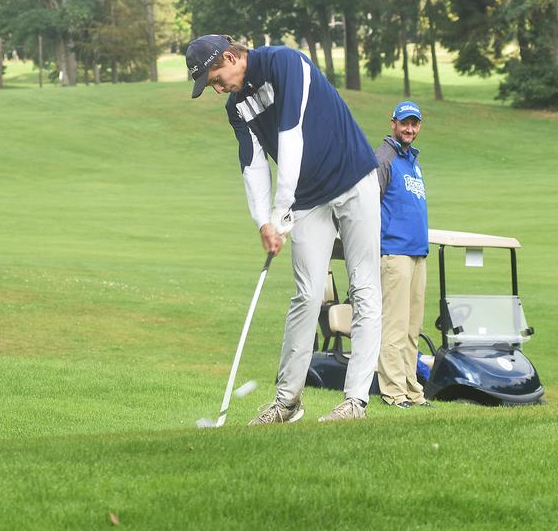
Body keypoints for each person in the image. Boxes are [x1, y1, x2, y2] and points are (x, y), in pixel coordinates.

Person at [185, 34, 382, 424]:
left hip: (354, 177)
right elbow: (253, 164)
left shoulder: (287, 63)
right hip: (308, 197)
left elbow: (291, 134)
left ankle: (355, 401)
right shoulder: (236, 107)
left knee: (363, 286)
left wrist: (280, 210)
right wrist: (263, 221)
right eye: (211, 85)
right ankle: (287, 401)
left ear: (230, 56)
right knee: (307, 294)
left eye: (216, 78)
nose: (217, 88)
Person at [375, 101, 432, 409]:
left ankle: (412, 390)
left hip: (416, 253)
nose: (409, 129)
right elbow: (370, 204)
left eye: (415, 124)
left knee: (413, 329)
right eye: (405, 123)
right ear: (393, 122)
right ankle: (394, 393)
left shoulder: (412, 160)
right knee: (395, 327)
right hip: (394, 252)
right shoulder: (384, 158)